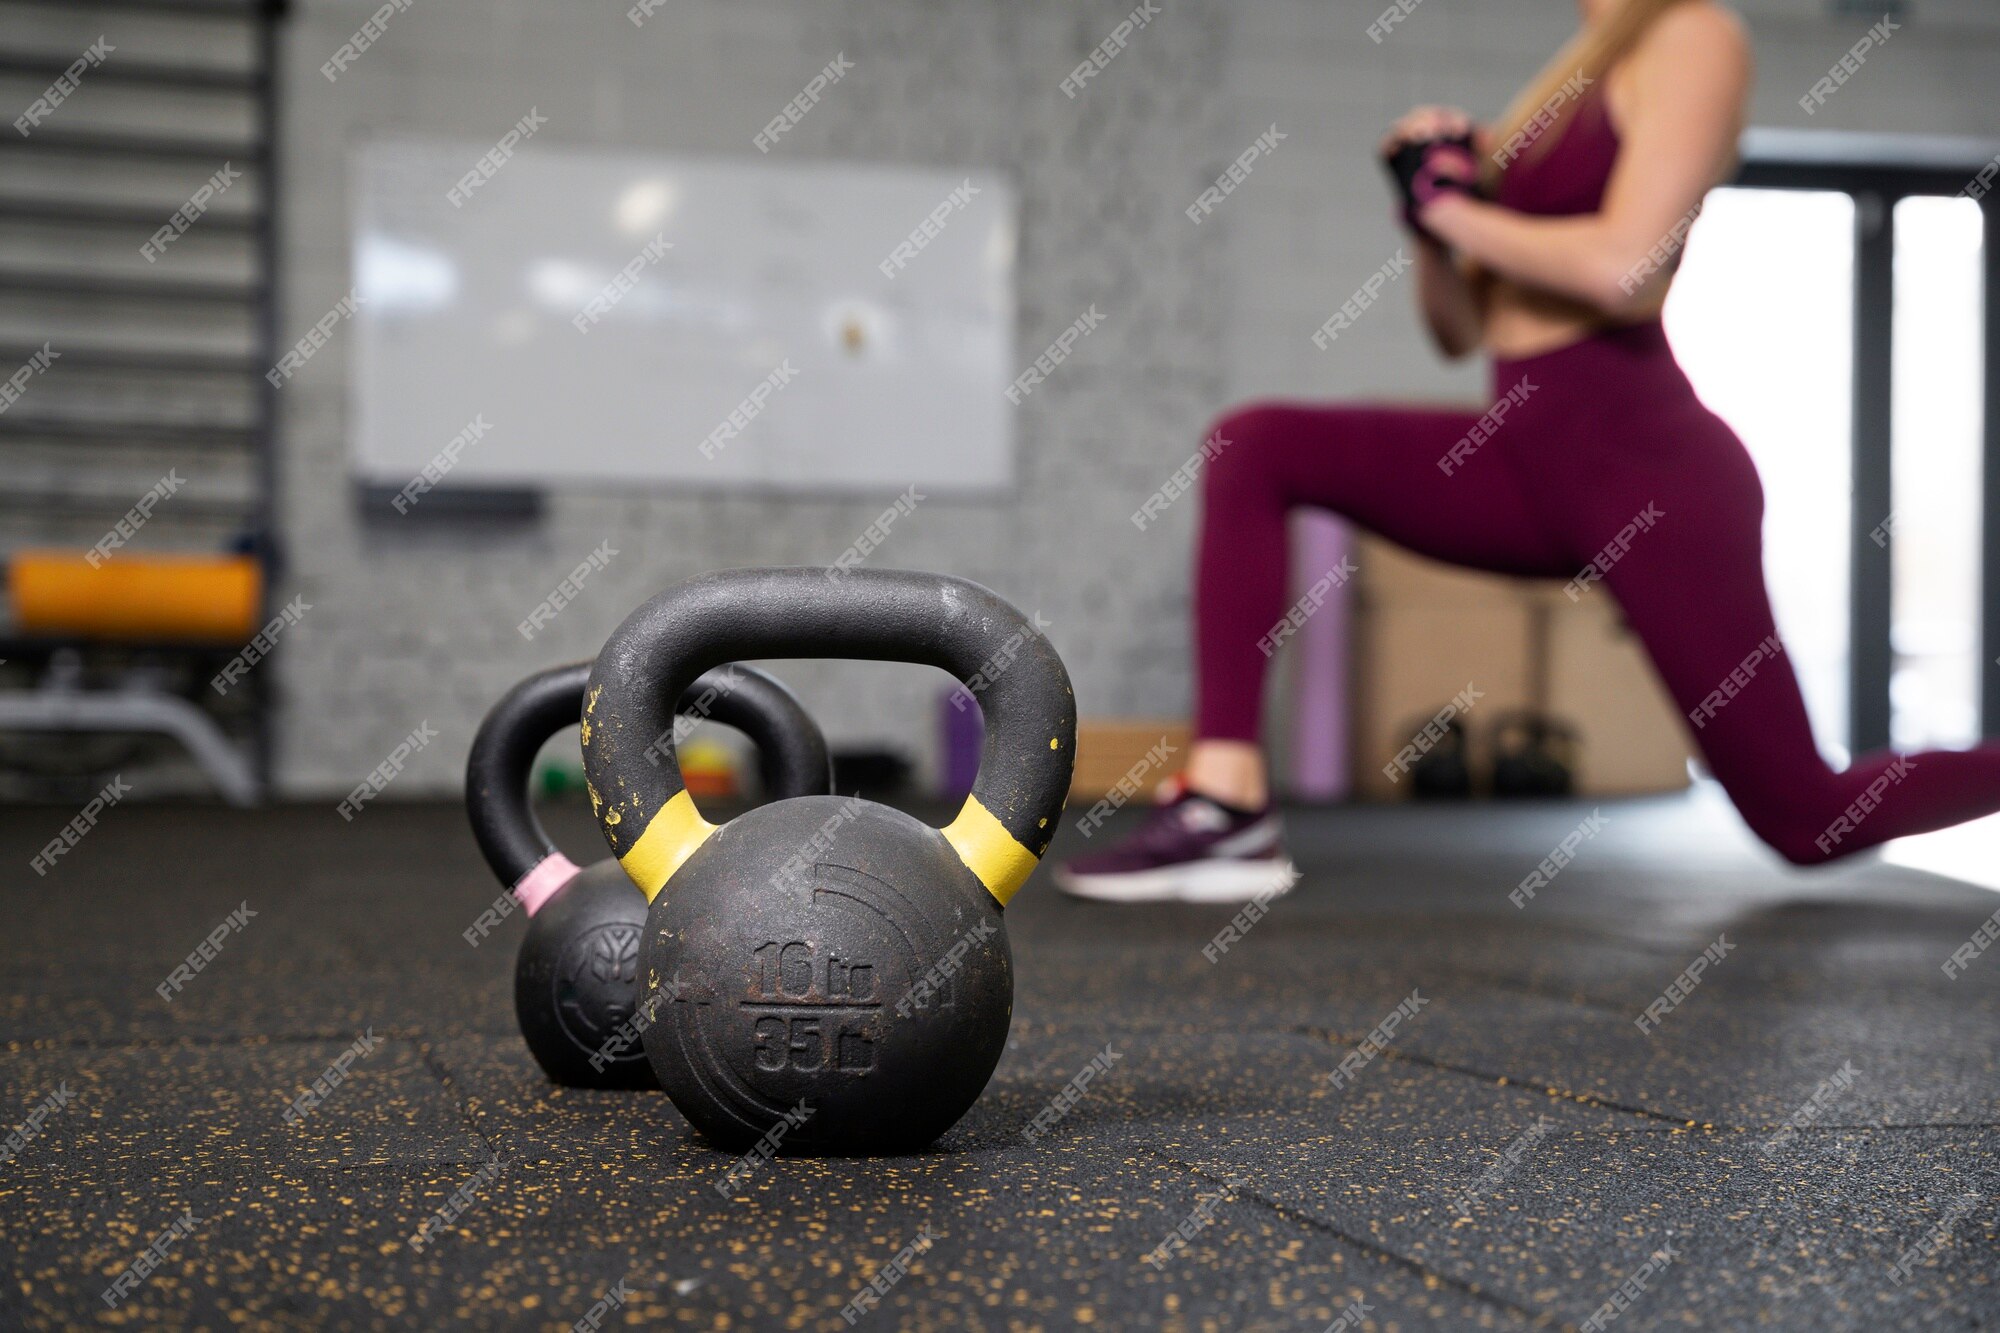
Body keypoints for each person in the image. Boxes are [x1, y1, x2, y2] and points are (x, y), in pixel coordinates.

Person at [1057, 0, 2000, 902]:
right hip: (1521, 456)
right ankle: (1227, 802)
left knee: (1806, 817)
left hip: (1648, 474)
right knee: (1255, 445)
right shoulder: (1570, 75)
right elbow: (1460, 329)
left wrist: (1458, 210)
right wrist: (1427, 219)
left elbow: (1624, 270)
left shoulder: (1695, 33)